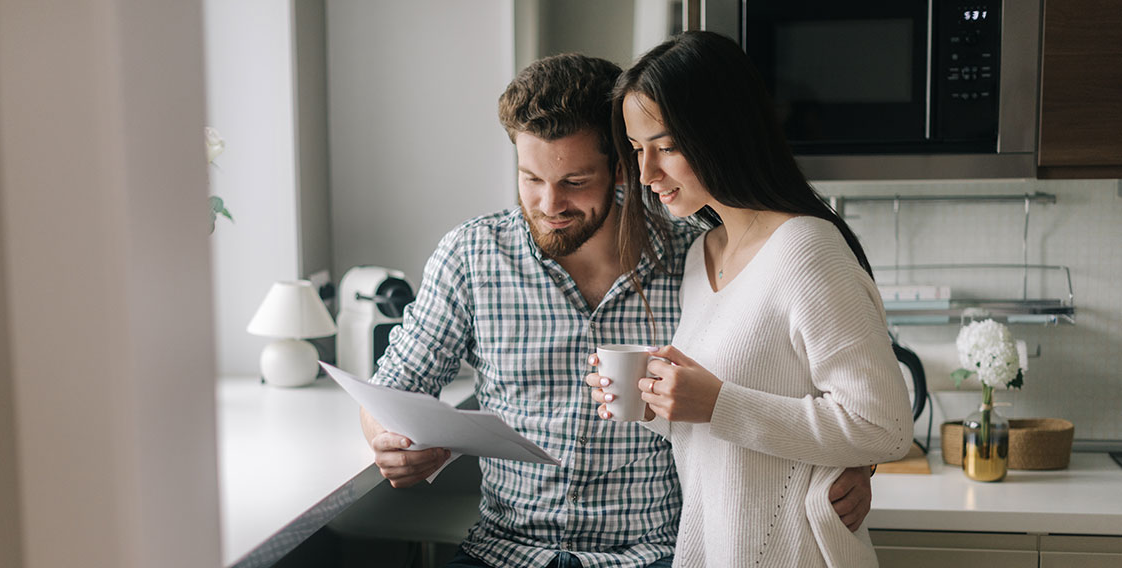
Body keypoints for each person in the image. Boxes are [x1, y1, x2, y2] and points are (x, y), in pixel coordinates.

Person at [360, 52, 875, 568]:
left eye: (575, 182)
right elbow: (390, 392)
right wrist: (388, 442)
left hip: (651, 554)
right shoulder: (471, 256)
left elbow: (839, 382)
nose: (549, 204)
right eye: (531, 179)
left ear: (621, 166)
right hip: (507, 551)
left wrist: (858, 465)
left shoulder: (697, 255)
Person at [585, 31, 913, 567]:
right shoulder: (701, 254)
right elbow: (728, 435)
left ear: (721, 132)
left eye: (666, 147)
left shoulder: (806, 249)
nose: (646, 174)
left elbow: (885, 426)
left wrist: (716, 403)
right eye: (638, 150)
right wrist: (659, 404)